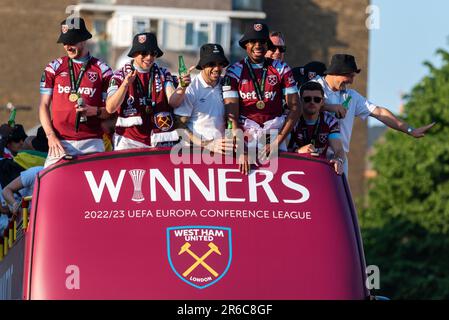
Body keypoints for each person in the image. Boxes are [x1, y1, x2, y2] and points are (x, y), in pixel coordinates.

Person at [312, 54, 435, 175]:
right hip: (314, 154)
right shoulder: (314, 86)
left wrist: (410, 130)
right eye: (349, 76)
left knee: (337, 195)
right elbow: (301, 106)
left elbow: (380, 112)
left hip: (339, 157)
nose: (351, 81)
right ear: (337, 72)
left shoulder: (351, 96)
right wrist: (329, 107)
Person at [223, 23, 300, 174]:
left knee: (277, 183)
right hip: (244, 133)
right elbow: (231, 116)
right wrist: (241, 149)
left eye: (262, 42)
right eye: (253, 41)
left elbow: (296, 108)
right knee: (242, 180)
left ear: (267, 45)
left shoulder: (281, 68)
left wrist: (278, 141)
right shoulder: (234, 70)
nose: (258, 46)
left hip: (274, 133)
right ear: (246, 45)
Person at [39, 17, 113, 167]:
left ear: (84, 40)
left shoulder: (103, 70)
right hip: (60, 142)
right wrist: (50, 136)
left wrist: (95, 111)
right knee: (51, 187)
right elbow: (43, 106)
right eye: (65, 42)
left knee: (94, 189)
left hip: (92, 143)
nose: (68, 46)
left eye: (72, 41)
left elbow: (110, 112)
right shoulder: (53, 67)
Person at [106, 32, 192, 150]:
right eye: (144, 53)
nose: (149, 57)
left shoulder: (163, 73)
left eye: (153, 53)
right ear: (134, 54)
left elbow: (174, 102)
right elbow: (110, 108)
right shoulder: (120, 75)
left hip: (160, 140)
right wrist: (125, 85)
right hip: (129, 142)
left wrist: (183, 86)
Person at [174, 43, 233, 153]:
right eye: (211, 64)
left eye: (220, 64)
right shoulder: (191, 87)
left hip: (222, 150)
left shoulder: (227, 83)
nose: (217, 68)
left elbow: (231, 118)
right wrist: (207, 145)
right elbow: (179, 126)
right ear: (202, 65)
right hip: (196, 152)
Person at [289, 81, 345, 175]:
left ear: (322, 101)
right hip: (293, 170)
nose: (312, 102)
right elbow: (278, 151)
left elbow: (339, 149)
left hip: (318, 172)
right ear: (300, 101)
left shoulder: (330, 121)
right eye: (307, 99)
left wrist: (338, 160)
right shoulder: (291, 120)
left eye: (317, 99)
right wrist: (298, 151)